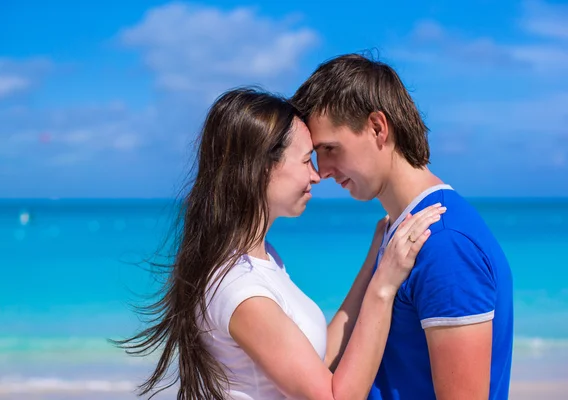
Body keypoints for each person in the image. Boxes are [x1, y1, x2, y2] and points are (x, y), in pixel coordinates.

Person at [115, 87, 445, 399]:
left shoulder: (259, 258)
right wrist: (383, 288)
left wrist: (376, 259)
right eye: (305, 161)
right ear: (261, 169)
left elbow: (322, 359)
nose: (317, 175)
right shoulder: (239, 288)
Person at [290, 53, 514, 400]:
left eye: (331, 148)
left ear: (378, 127)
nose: (323, 170)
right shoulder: (400, 229)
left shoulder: (443, 243)